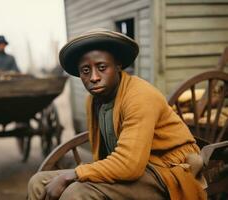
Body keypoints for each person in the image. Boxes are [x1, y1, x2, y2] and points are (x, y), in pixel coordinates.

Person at [28, 29, 206, 200]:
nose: (94, 77)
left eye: (102, 67)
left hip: (166, 169)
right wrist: (83, 175)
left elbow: (129, 165)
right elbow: (106, 156)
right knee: (37, 183)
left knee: (77, 193)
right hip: (132, 167)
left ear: (118, 66)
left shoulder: (140, 96)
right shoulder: (94, 100)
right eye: (85, 70)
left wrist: (73, 174)